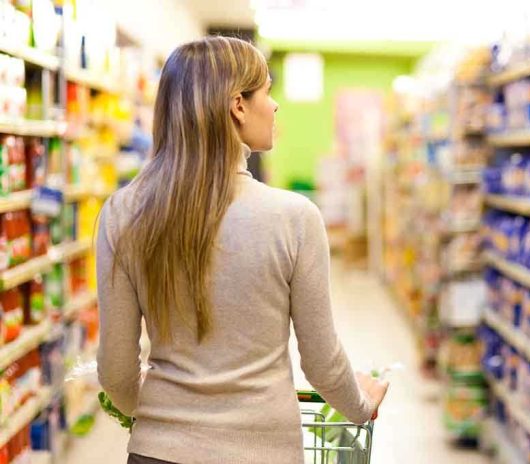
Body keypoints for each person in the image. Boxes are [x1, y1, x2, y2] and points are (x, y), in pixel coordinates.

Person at [96, 36, 389, 464]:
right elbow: (322, 364)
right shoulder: (292, 217)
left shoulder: (123, 213)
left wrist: (168, 421)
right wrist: (362, 404)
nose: (274, 107)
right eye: (267, 92)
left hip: (155, 452)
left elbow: (117, 372)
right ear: (238, 105)